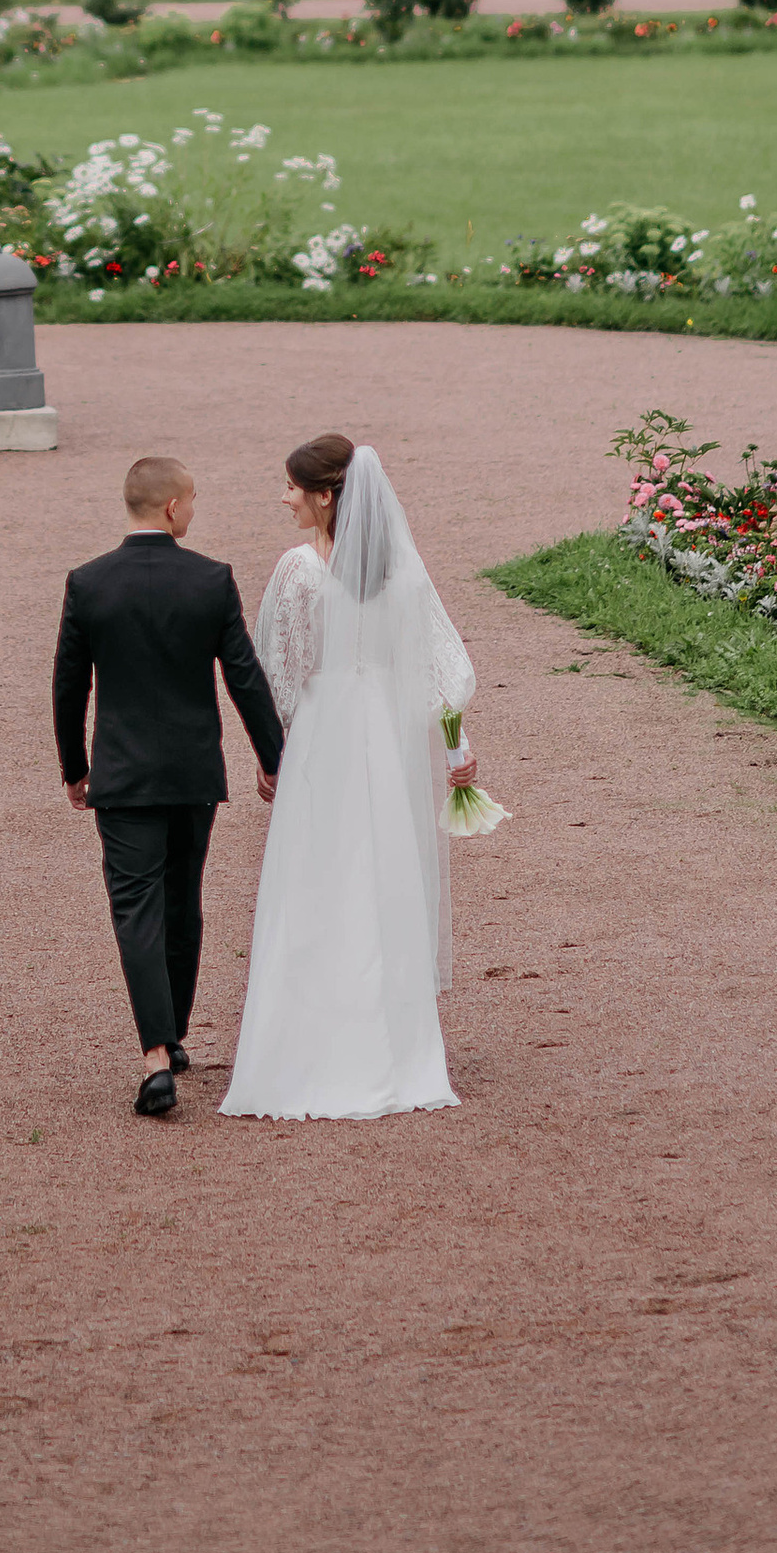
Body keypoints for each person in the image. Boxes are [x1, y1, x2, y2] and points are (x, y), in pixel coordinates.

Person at [222, 436, 481, 1123]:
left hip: (324, 731)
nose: (283, 498)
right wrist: (458, 747)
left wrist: (271, 748)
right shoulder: (401, 570)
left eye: (291, 487)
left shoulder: (301, 570)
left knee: (313, 876)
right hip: (385, 739)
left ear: (326, 495)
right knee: (381, 874)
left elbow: (283, 668)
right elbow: (440, 664)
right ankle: (392, 1045)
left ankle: (304, 1042)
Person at [53, 455, 285, 1119]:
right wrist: (273, 757)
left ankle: (156, 1051)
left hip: (122, 774)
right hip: (192, 773)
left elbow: (71, 684)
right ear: (174, 508)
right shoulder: (210, 579)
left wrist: (74, 766)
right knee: (183, 901)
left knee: (136, 907)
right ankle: (173, 1033)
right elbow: (244, 675)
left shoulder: (89, 583)